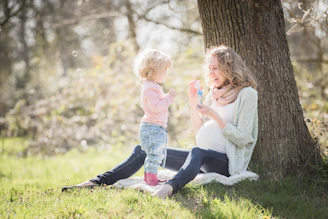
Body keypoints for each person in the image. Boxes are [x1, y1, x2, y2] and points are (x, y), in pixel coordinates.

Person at [62, 45, 258, 199]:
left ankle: (169, 188)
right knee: (145, 150)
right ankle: (96, 182)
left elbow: (243, 139)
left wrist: (214, 115)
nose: (211, 73)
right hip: (199, 160)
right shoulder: (213, 94)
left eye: (216, 68)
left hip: (225, 163)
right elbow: (200, 135)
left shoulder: (247, 94)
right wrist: (192, 103)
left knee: (196, 152)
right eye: (210, 68)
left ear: (228, 68)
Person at [134, 49, 176, 186]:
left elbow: (155, 104)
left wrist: (164, 97)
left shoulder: (150, 86)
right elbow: (156, 107)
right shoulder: (150, 88)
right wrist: (169, 98)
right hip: (153, 128)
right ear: (154, 70)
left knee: (152, 154)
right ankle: (151, 179)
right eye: (164, 70)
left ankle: (149, 177)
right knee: (155, 155)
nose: (166, 74)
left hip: (152, 126)